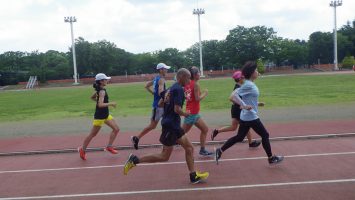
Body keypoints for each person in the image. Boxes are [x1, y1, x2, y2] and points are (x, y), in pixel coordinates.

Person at [123, 68, 209, 184]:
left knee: (189, 148)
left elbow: (160, 103)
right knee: (164, 156)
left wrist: (168, 113)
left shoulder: (171, 88)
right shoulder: (178, 89)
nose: (189, 80)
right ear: (182, 77)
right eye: (188, 77)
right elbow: (177, 109)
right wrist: (185, 114)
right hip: (171, 126)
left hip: (173, 124)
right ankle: (135, 160)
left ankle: (193, 176)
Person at [215, 61, 284, 165]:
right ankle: (271, 158)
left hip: (245, 116)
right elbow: (233, 96)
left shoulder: (249, 84)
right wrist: (243, 105)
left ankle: (220, 150)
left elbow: (247, 98)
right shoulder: (248, 85)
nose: (257, 72)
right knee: (265, 135)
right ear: (251, 73)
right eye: (256, 70)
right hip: (251, 117)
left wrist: (256, 103)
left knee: (240, 137)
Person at [211, 71, 261, 148]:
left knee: (234, 127)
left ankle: (216, 131)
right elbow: (231, 98)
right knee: (246, 126)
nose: (244, 78)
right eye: (243, 77)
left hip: (235, 109)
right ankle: (251, 143)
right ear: (239, 79)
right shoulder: (239, 87)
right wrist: (242, 105)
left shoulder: (239, 85)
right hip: (238, 109)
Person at [78, 73, 120, 160]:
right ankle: (82, 149)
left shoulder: (99, 89)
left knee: (116, 129)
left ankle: (109, 147)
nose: (107, 80)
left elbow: (92, 98)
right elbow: (100, 105)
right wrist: (111, 103)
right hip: (100, 116)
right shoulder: (102, 91)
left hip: (106, 114)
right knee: (93, 134)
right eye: (105, 79)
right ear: (101, 81)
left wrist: (98, 102)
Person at [131, 63, 169, 150]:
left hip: (161, 105)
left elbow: (147, 86)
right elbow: (160, 93)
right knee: (153, 126)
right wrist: (168, 94)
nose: (167, 70)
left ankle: (172, 139)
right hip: (159, 106)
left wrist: (153, 93)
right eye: (165, 69)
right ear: (161, 70)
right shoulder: (161, 79)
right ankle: (136, 138)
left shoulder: (156, 78)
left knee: (168, 122)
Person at [182, 66, 213, 156]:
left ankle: (202, 150)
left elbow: (186, 96)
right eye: (199, 73)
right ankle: (169, 143)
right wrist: (205, 93)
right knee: (181, 133)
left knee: (205, 129)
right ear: (195, 75)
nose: (200, 74)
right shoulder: (195, 84)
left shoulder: (187, 83)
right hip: (192, 113)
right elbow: (197, 98)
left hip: (193, 113)